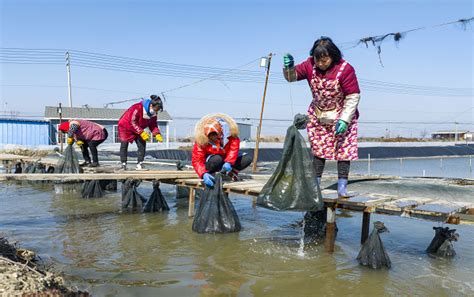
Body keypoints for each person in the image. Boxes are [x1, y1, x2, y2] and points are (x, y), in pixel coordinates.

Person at [283, 37, 361, 197]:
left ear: (333, 56)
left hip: (342, 114)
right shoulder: (309, 65)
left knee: (343, 151)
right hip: (319, 115)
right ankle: (315, 185)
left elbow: (353, 96)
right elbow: (291, 77)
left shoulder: (345, 69)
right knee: (319, 151)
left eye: (325, 60)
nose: (321, 64)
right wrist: (288, 68)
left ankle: (342, 187)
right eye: (318, 60)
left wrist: (344, 120)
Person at [192, 113, 252, 187]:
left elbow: (233, 149)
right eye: (210, 137)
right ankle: (212, 174)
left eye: (214, 135)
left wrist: (229, 162)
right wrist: (203, 174)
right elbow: (197, 160)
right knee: (217, 159)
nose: (212, 139)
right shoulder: (201, 140)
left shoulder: (231, 136)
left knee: (247, 158)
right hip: (213, 161)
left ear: (220, 132)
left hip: (226, 160)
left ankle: (231, 173)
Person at [118, 95, 164, 170]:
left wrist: (157, 133)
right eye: (156, 109)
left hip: (139, 128)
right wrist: (141, 132)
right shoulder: (137, 108)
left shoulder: (153, 114)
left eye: (158, 110)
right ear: (151, 105)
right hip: (126, 126)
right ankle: (123, 164)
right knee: (124, 144)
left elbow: (153, 124)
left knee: (142, 143)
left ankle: (140, 163)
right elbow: (132, 121)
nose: (156, 111)